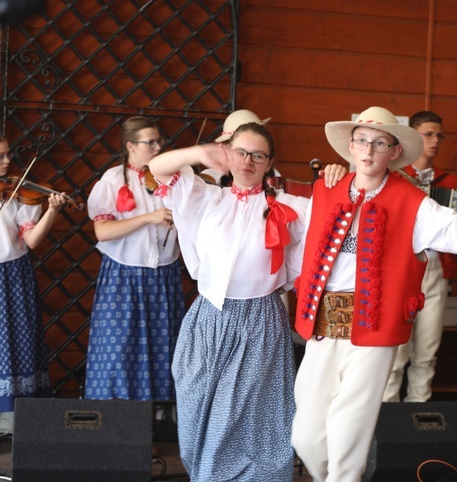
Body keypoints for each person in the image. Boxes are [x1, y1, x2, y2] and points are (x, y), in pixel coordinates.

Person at [289, 106, 457, 481]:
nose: (369, 150)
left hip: (374, 329)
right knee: (306, 435)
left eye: (379, 143)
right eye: (362, 141)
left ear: (393, 152)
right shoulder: (325, 190)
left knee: (347, 433)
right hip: (323, 324)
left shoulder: (412, 201)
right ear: (350, 147)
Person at [148, 122, 344, 481]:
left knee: (237, 415)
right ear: (227, 154)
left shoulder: (289, 207)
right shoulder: (205, 198)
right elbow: (157, 168)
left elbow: (340, 211)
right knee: (193, 408)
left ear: (270, 162)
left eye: (258, 155)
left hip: (258, 318)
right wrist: (199, 154)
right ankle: (203, 473)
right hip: (206, 316)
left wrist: (337, 178)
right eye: (241, 152)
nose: (248, 161)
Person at [84, 116, 184, 405]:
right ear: (130, 146)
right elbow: (103, 231)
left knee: (159, 348)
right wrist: (149, 218)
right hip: (123, 275)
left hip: (162, 274)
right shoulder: (113, 180)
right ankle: (116, 423)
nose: (157, 146)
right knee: (119, 350)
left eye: (158, 141)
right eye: (149, 142)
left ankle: (152, 422)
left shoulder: (169, 179)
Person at [383, 110, 457, 403]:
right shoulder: (394, 178)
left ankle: (416, 424)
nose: (436, 140)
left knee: (427, 353)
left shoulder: (450, 181)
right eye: (429, 134)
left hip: (435, 268)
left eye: (439, 135)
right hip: (400, 270)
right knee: (395, 354)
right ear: (414, 136)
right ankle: (387, 423)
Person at [0, 136, 66, 433]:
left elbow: (32, 240)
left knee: (16, 343)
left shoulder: (16, 194)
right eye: (0, 156)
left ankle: (12, 420)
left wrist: (51, 210)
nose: (7, 162)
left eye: (8, 155)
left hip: (13, 275)